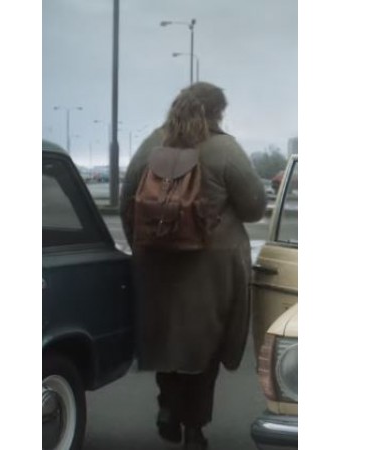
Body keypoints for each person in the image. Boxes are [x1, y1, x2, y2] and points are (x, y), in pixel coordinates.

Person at [120, 82, 267, 450]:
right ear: (217, 111)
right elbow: (253, 207)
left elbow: (127, 203)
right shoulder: (224, 149)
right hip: (211, 270)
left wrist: (146, 248)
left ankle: (168, 405)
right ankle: (194, 431)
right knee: (205, 349)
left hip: (156, 266)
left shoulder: (151, 144)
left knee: (167, 340)